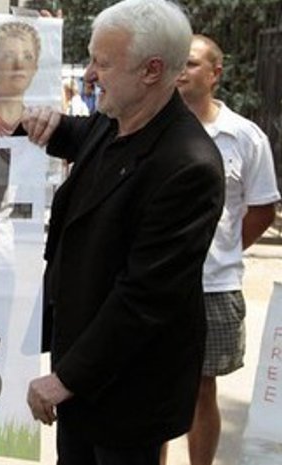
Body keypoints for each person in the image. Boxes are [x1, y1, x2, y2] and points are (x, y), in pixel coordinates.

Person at [21, 0, 226, 463]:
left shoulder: (187, 165)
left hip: (130, 393)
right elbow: (84, 139)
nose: (90, 74)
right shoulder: (115, 119)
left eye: (103, 62)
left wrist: (66, 378)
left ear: (151, 70)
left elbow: (144, 298)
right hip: (81, 372)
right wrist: (42, 122)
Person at [167, 34, 280, 465]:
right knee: (153, 389)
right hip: (153, 282)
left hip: (213, 286)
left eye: (192, 63)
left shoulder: (244, 137)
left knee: (201, 387)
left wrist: (224, 249)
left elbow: (262, 209)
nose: (182, 71)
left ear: (215, 73)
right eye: (178, 62)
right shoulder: (151, 128)